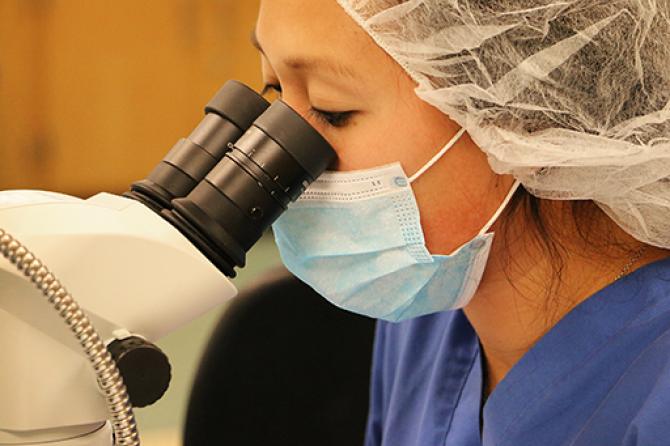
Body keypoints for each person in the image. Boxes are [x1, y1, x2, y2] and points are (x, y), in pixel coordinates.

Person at [252, 1, 670, 444]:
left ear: (524, 115)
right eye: (274, 90)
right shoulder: (425, 311)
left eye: (330, 108)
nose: (281, 155)